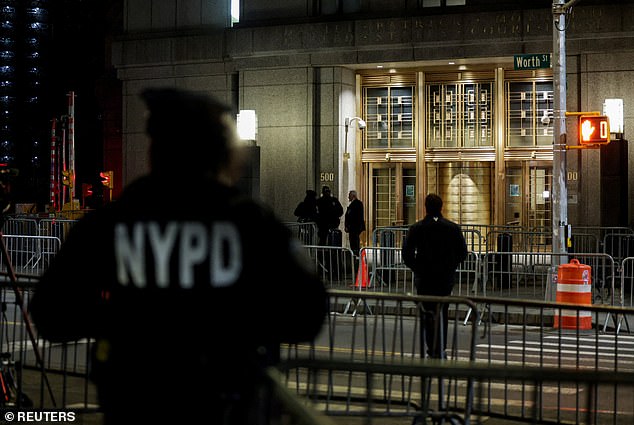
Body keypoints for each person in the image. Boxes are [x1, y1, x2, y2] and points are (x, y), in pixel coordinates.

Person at [29, 87, 328, 424]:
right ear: (223, 154)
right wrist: (232, 323)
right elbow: (308, 313)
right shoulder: (250, 223)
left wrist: (126, 320)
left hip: (135, 401)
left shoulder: (112, 223)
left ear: (155, 150)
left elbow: (50, 313)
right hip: (227, 401)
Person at [402, 193, 467, 359]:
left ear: (426, 207)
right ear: (441, 207)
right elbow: (462, 253)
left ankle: (431, 347)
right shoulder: (452, 228)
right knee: (442, 311)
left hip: (424, 277)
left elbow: (407, 254)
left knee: (427, 313)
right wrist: (450, 266)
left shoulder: (417, 228)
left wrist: (417, 268)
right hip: (444, 278)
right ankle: (441, 347)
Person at [344, 190, 365, 256]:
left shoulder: (357, 204)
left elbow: (355, 216)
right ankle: (355, 253)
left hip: (355, 227)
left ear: (353, 196)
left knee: (354, 241)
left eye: (349, 196)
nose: (348, 197)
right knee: (353, 241)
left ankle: (356, 254)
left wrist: (349, 226)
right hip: (352, 227)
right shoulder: (353, 204)